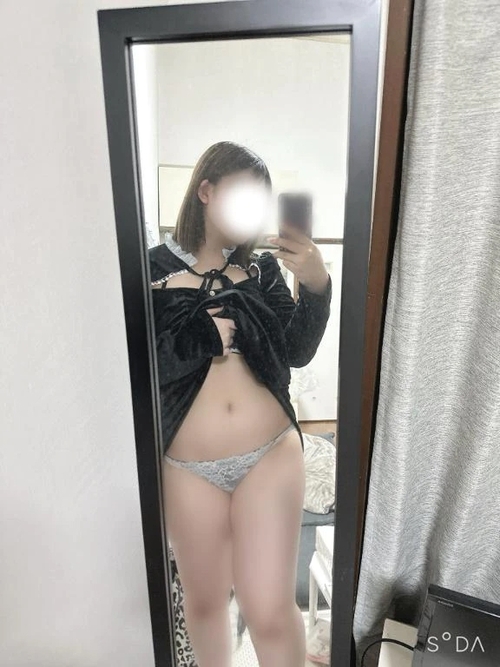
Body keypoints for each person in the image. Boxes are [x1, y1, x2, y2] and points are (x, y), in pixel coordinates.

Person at [148, 141, 332, 667]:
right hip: (186, 466)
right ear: (206, 191)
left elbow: (296, 349)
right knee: (206, 605)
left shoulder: (263, 270)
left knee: (269, 610)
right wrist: (201, 336)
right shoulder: (149, 267)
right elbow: (137, 363)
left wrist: (316, 283)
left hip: (269, 454)